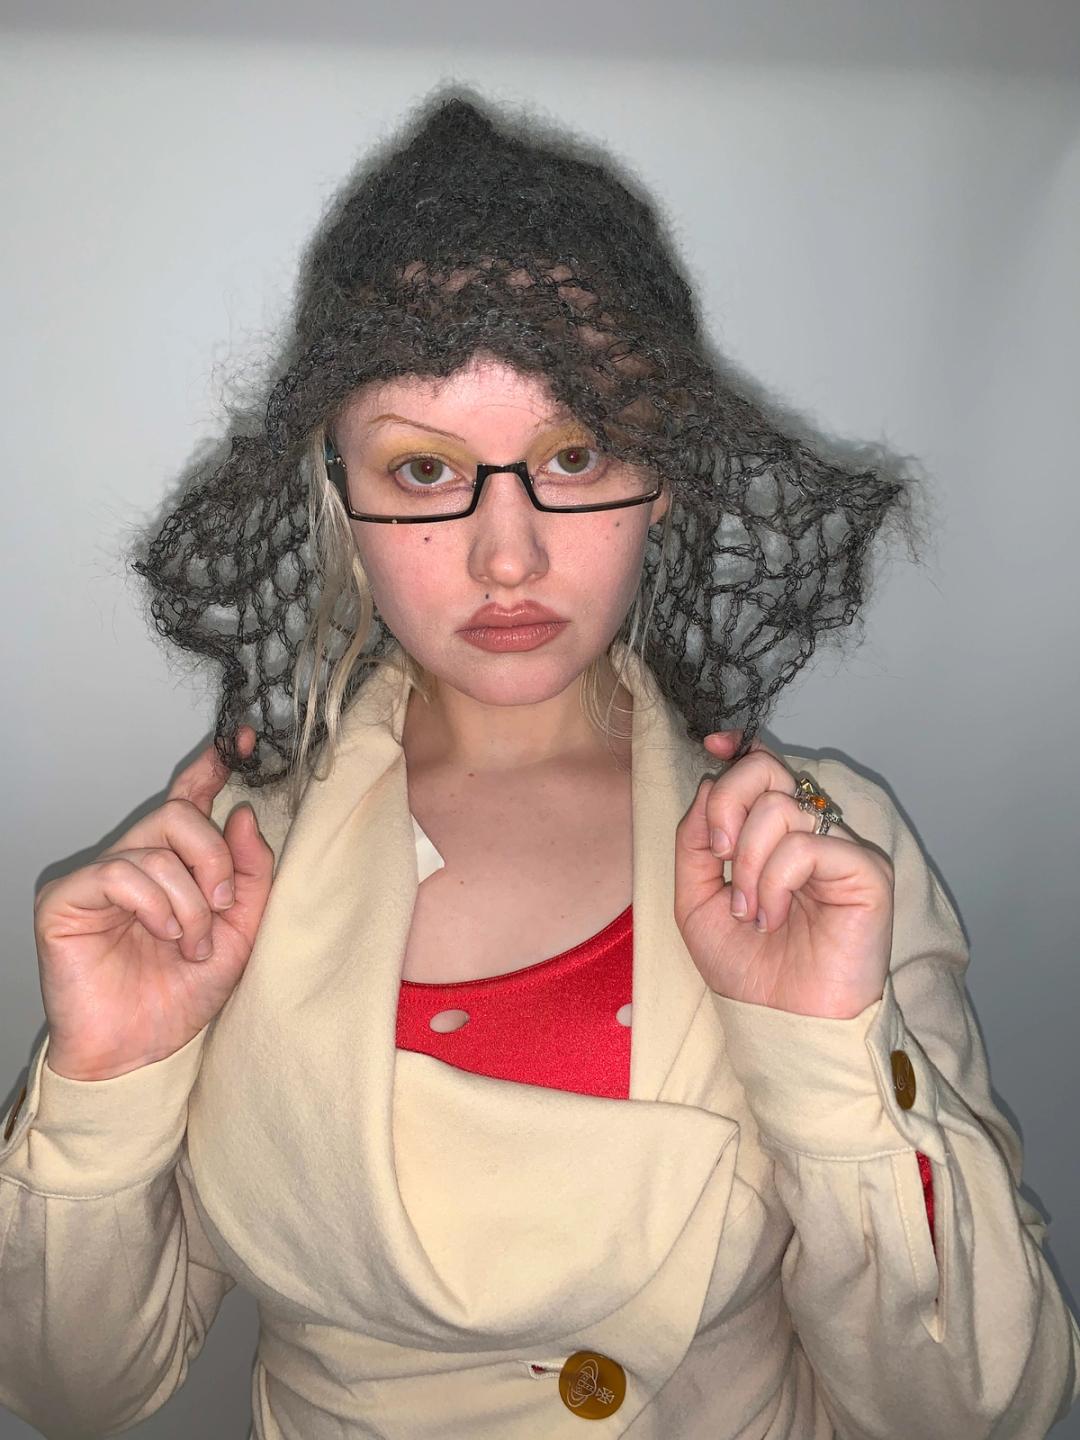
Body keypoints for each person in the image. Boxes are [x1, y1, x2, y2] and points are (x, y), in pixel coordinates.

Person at [1, 87, 1078, 1440]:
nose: (507, 554)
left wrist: (828, 1056)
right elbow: (72, 1395)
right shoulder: (222, 883)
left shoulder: (823, 857)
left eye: (576, 453)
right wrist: (105, 1080)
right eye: (422, 470)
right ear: (337, 492)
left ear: (663, 472)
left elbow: (980, 1410)